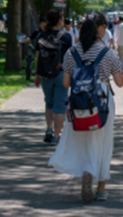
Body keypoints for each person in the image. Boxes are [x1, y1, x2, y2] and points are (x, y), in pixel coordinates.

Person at [48, 12, 123, 203]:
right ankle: (101, 187)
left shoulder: (71, 53)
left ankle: (86, 171)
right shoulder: (108, 53)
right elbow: (121, 83)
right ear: (99, 33)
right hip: (102, 100)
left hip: (79, 101)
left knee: (83, 138)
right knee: (104, 141)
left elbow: (66, 83)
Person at [34, 10, 73, 146]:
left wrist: (37, 74)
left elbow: (38, 57)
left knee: (49, 103)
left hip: (45, 74)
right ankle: (56, 136)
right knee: (60, 105)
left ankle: (49, 130)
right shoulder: (66, 37)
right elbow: (70, 58)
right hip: (62, 73)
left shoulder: (41, 35)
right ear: (59, 21)